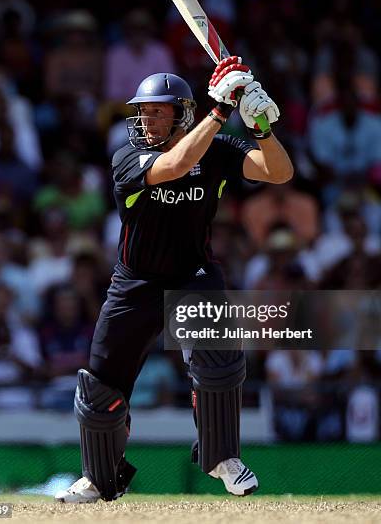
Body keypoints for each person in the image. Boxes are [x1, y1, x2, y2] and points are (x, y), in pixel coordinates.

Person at [55, 56, 293, 503]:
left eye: (158, 111)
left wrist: (262, 127)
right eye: (142, 111)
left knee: (219, 363)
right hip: (135, 282)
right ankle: (98, 478)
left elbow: (279, 172)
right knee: (100, 385)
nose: (146, 119)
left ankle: (224, 458)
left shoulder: (218, 149)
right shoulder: (126, 157)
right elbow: (176, 166)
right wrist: (221, 111)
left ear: (183, 113)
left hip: (193, 277)